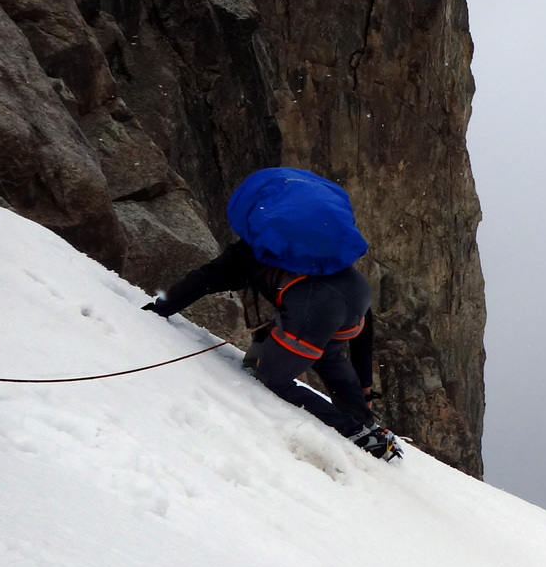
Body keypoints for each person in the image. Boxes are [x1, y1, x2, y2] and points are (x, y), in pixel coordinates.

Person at [145, 167, 403, 461]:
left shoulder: (249, 254)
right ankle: (368, 426)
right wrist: (365, 387)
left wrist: (160, 307)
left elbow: (202, 279)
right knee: (327, 353)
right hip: (357, 296)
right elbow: (363, 323)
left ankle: (351, 430)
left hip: (314, 310)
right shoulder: (328, 253)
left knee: (273, 378)